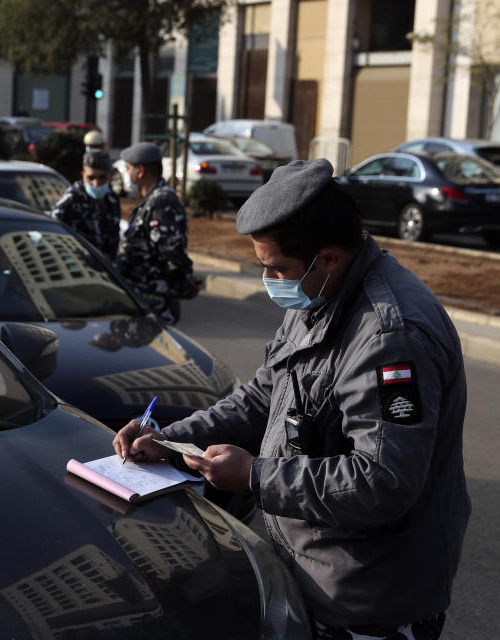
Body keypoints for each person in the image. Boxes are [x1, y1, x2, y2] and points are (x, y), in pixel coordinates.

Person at [113, 159, 470, 638]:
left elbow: (384, 481)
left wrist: (255, 475)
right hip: (315, 570)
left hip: (369, 598)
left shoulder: (390, 336)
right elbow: (265, 394)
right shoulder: (322, 293)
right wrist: (170, 439)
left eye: (276, 268)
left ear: (327, 259)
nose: (268, 280)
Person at [115, 142, 196, 324]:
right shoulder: (152, 199)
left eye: (129, 168)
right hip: (143, 298)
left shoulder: (161, 202)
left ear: (140, 171)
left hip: (156, 301)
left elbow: (171, 253)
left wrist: (182, 284)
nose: (127, 174)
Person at [49, 150, 121, 260]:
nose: (96, 183)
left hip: (105, 267)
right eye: (90, 178)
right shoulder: (73, 198)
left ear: (110, 176)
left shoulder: (113, 199)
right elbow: (53, 229)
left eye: (102, 177)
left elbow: (114, 236)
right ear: (83, 175)